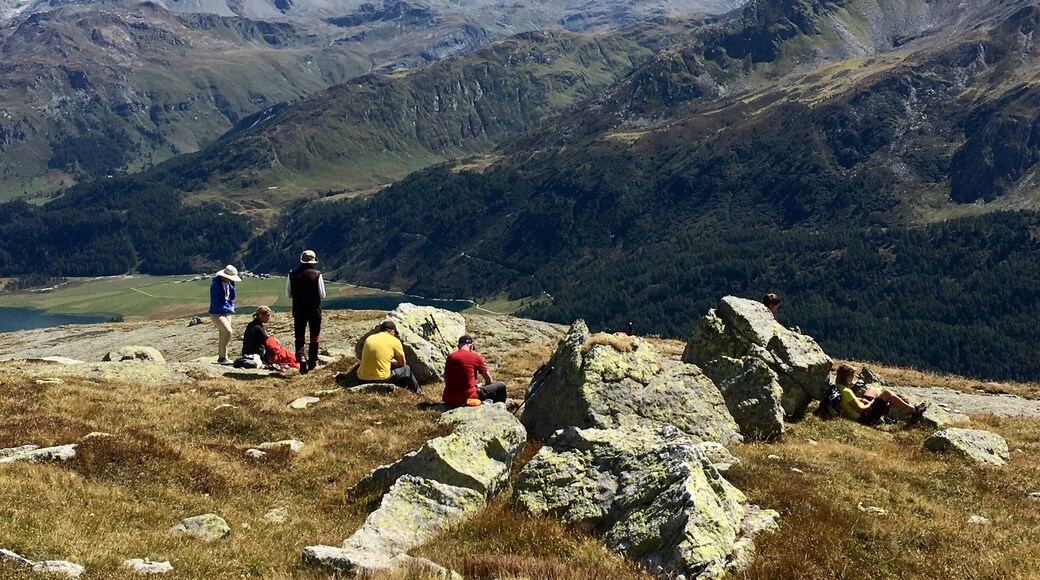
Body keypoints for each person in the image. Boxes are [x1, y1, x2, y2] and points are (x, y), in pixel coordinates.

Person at [835, 364, 926, 425]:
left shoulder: (839, 387)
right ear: (847, 377)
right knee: (887, 393)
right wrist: (872, 402)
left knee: (872, 389)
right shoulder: (847, 391)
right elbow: (860, 409)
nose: (853, 377)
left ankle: (884, 409)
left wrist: (862, 400)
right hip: (865, 418)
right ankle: (913, 410)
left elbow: (850, 400)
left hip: (863, 412)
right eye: (852, 375)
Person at [286, 249, 326, 375]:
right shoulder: (317, 274)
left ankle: (301, 357)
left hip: (298, 309)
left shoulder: (292, 274)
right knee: (314, 336)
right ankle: (313, 360)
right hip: (314, 310)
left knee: (299, 335)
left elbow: (288, 293)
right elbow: (322, 294)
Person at [357, 320, 421, 393]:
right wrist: (394, 361)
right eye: (394, 333)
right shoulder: (394, 341)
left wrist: (389, 360)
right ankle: (417, 392)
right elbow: (402, 363)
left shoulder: (369, 338)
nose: (394, 335)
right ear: (392, 331)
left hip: (362, 378)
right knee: (406, 369)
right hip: (382, 378)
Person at [443, 334, 507, 407]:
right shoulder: (475, 356)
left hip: (449, 398)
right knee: (501, 386)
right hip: (467, 398)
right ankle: (497, 409)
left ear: (459, 346)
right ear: (471, 345)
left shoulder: (450, 356)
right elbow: (489, 380)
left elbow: (447, 377)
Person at [209, 264, 241, 364]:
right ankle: (222, 357)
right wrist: (228, 309)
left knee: (223, 334)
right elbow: (216, 302)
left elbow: (231, 298)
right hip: (217, 313)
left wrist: (231, 307)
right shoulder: (215, 285)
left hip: (227, 312)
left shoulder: (230, 284)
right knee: (228, 331)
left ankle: (222, 357)